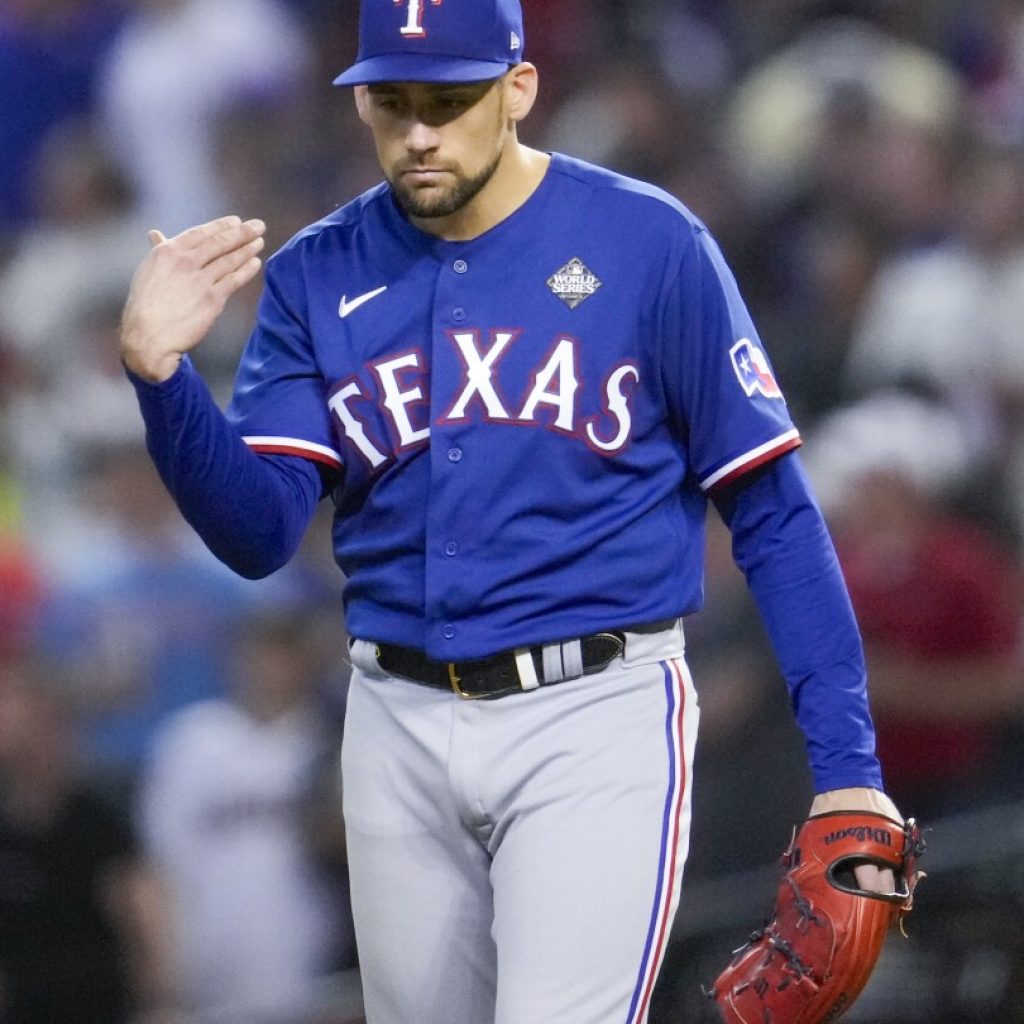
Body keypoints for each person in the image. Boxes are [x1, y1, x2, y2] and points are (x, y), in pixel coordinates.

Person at [118, 2, 905, 1021]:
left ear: (519, 89)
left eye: (449, 101)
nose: (420, 133)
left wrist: (848, 767)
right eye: (392, 104)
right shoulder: (320, 271)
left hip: (595, 711)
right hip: (392, 717)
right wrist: (162, 378)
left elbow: (774, 514)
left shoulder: (648, 243)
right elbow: (261, 534)